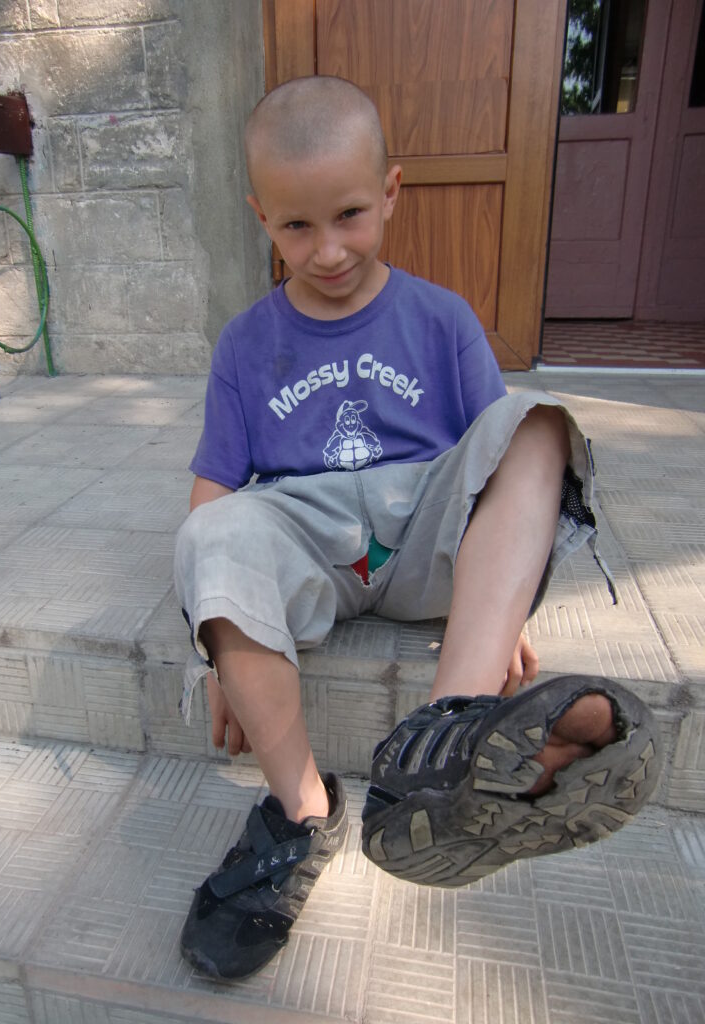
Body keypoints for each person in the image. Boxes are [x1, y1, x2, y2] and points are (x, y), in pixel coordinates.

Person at [173, 75, 661, 982]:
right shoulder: (244, 343)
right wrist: (223, 635)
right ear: (260, 216)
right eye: (296, 226)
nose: (327, 250)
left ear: (391, 191)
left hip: (425, 536)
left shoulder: (442, 318)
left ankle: (447, 737)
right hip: (310, 547)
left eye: (350, 215)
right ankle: (302, 811)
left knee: (536, 422)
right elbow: (216, 491)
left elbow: (500, 465)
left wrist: (499, 605)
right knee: (211, 536)